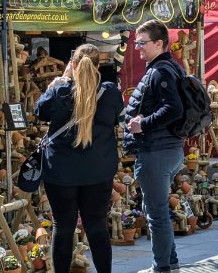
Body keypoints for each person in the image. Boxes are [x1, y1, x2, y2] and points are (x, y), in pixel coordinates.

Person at [35, 44, 123, 273]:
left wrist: (62, 79)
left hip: (61, 171)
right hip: (98, 169)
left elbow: (39, 111)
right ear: (98, 65)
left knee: (62, 227)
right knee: (97, 227)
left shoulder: (60, 91)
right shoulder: (110, 91)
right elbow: (116, 117)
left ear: (72, 65)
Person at [124, 20, 186, 273]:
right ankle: (169, 261)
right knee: (157, 209)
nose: (138, 47)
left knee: (156, 213)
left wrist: (143, 124)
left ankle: (161, 267)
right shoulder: (171, 67)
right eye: (136, 42)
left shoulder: (160, 71)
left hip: (157, 152)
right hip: (169, 149)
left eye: (142, 43)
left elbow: (173, 109)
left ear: (159, 43)